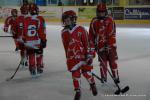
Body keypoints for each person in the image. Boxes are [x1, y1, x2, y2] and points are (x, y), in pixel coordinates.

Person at [61, 10, 97, 100]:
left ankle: (92, 84)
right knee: (75, 75)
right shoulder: (63, 32)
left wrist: (89, 55)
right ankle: (78, 91)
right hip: (72, 58)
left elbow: (87, 43)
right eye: (65, 19)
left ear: (73, 19)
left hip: (83, 56)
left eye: (67, 19)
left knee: (87, 73)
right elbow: (66, 46)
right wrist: (68, 58)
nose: (65, 21)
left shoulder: (81, 29)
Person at [89, 3, 120, 83]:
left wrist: (109, 44)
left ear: (105, 12)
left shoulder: (110, 20)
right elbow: (91, 35)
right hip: (100, 46)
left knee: (112, 62)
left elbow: (111, 33)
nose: (101, 13)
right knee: (103, 63)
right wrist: (92, 46)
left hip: (110, 46)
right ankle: (104, 77)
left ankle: (116, 77)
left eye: (102, 12)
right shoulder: (94, 21)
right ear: (97, 11)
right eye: (99, 12)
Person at [23, 4, 47, 77]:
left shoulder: (25, 19)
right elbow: (42, 30)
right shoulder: (40, 18)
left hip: (29, 41)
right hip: (37, 41)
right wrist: (43, 39)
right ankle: (39, 67)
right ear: (36, 10)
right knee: (39, 54)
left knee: (31, 55)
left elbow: (24, 30)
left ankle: (32, 69)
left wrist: (24, 39)